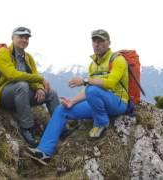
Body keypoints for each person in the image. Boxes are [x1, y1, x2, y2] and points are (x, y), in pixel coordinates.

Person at [27, 29, 129, 164]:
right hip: (98, 101)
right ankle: (44, 152)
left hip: (118, 103)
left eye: (101, 41)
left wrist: (85, 80)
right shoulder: (93, 65)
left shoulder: (118, 60)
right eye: (95, 41)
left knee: (92, 90)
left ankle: (102, 123)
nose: (97, 44)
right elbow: (88, 90)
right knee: (61, 110)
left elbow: (110, 83)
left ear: (108, 43)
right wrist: (72, 101)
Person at [0, 27, 60, 147]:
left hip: (21, 94)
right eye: (21, 37)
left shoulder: (28, 57)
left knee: (51, 93)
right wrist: (40, 79)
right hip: (1, 94)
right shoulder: (3, 53)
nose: (24, 40)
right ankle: (26, 128)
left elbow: (33, 75)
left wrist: (39, 88)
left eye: (26, 38)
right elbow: (12, 75)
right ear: (12, 38)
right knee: (22, 85)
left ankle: (60, 127)